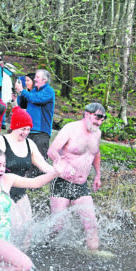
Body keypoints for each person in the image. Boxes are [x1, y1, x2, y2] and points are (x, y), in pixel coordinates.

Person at [47, 103, 106, 252]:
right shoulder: (70, 128)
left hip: (81, 184)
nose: (99, 122)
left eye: (103, 119)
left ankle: (93, 258)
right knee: (57, 226)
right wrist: (63, 166)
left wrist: (98, 175)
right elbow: (52, 151)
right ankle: (41, 246)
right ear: (87, 114)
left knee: (91, 224)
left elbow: (95, 153)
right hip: (62, 181)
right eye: (97, 117)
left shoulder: (97, 133)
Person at [0, 106, 55, 221]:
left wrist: (59, 172)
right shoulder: (1, 141)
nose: (26, 133)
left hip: (20, 190)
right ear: (15, 127)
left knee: (28, 226)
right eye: (23, 129)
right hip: (2, 189)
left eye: (28, 129)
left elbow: (43, 165)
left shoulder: (29, 143)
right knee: (17, 224)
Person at [15, 69, 55, 177]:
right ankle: (26, 183)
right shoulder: (32, 91)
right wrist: (20, 92)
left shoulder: (49, 91)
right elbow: (22, 104)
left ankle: (38, 186)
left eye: (37, 77)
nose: (35, 79)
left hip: (42, 131)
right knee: (27, 157)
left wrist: (23, 92)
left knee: (39, 159)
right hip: (29, 130)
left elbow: (37, 99)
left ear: (44, 79)